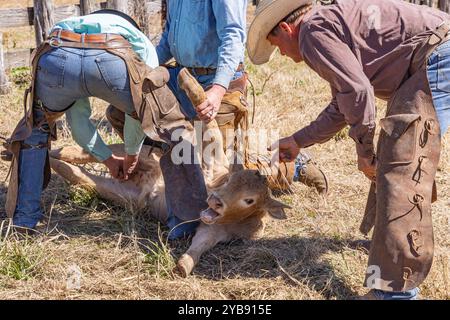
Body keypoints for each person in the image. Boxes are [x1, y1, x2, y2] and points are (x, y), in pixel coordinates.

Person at [247, 0, 449, 299]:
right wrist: (298, 140)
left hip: (437, 58)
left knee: (399, 171)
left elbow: (356, 93)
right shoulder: (327, 25)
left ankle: (393, 293)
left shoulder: (313, 32)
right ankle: (388, 261)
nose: (286, 57)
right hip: (432, 57)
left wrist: (365, 151)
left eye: (278, 45)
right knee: (395, 163)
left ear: (287, 27)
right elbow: (345, 102)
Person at [4, 9, 168, 231]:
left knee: (36, 131)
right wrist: (131, 155)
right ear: (130, 25)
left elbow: (78, 123)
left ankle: (26, 219)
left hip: (59, 50)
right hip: (113, 55)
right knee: (140, 109)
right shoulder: (140, 40)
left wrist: (108, 160)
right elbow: (140, 114)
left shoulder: (76, 22)